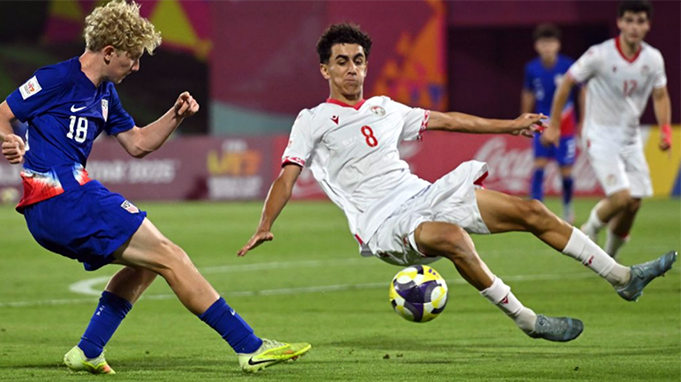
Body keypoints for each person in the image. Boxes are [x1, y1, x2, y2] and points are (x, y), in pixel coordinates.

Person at [238, 23, 676, 343]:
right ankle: (528, 321)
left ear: (366, 65)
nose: (351, 69)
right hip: (381, 224)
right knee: (451, 237)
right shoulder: (313, 120)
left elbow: (448, 120)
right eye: (341, 62)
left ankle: (622, 277)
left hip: (422, 194)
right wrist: (265, 224)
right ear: (325, 70)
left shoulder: (386, 108)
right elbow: (287, 175)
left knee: (531, 210)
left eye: (357, 60)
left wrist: (510, 125)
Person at [0, 0, 310, 374]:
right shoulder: (57, 78)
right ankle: (249, 347)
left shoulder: (105, 94)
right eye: (133, 57)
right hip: (62, 198)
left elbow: (137, 143)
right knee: (171, 255)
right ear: (109, 52)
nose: (137, 66)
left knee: (148, 265)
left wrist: (175, 115)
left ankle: (89, 349)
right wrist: (10, 139)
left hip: (59, 205)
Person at [542, 0, 672, 259]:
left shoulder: (653, 58)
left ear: (648, 25)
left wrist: (665, 129)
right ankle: (590, 228)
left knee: (634, 203)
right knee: (621, 197)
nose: (634, 27)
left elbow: (660, 95)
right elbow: (567, 83)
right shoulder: (599, 55)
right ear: (620, 22)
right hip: (599, 135)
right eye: (629, 20)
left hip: (630, 137)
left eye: (640, 21)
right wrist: (554, 124)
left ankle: (610, 257)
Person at [522, 23, 583, 224]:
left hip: (565, 123)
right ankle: (536, 208)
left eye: (551, 43)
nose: (547, 47)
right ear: (536, 46)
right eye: (543, 43)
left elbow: (582, 91)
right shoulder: (531, 68)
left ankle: (567, 208)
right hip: (541, 121)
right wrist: (524, 119)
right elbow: (528, 94)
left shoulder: (568, 66)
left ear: (558, 45)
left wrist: (583, 119)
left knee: (566, 170)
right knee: (539, 164)